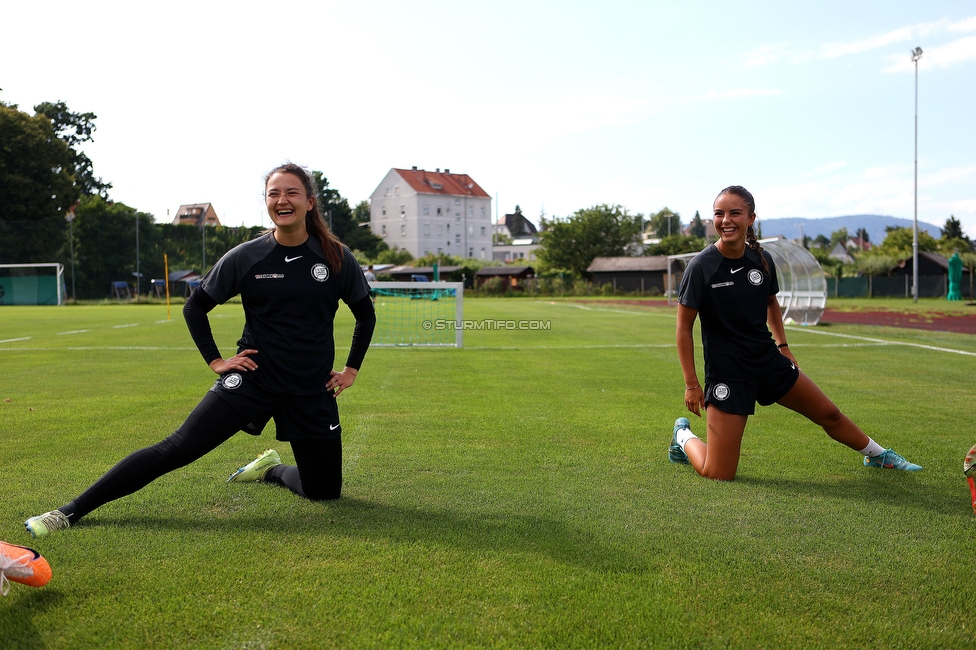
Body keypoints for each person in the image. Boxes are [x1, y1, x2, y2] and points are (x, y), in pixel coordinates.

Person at [24, 163, 376, 537]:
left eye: (291, 193)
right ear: (267, 202)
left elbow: (365, 315)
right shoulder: (247, 256)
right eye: (274, 193)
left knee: (325, 492)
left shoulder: (336, 256)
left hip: (311, 388)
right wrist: (217, 361)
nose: (282, 200)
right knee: (175, 449)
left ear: (309, 202)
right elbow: (195, 306)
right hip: (256, 380)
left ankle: (270, 469)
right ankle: (67, 512)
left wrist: (350, 370)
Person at [669, 185, 922, 480]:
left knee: (829, 414)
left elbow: (770, 302)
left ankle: (878, 455)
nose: (726, 220)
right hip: (728, 373)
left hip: (768, 362)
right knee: (718, 473)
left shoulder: (761, 260)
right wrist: (691, 384)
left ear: (751, 218)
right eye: (719, 213)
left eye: (735, 213)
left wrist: (783, 345)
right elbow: (683, 328)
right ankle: (683, 436)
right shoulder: (701, 266)